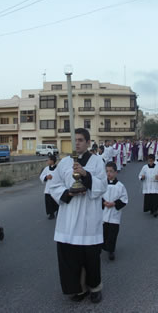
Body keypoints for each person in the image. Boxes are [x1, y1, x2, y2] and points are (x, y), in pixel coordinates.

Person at [49, 128, 107, 304]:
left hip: (89, 215)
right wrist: (68, 194)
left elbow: (102, 185)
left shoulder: (97, 162)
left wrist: (85, 174)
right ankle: (79, 288)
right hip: (69, 215)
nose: (77, 143)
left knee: (90, 257)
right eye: (75, 140)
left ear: (88, 143)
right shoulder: (64, 163)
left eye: (81, 140)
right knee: (71, 256)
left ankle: (94, 287)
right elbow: (54, 185)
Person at [101, 162, 128, 261]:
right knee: (103, 232)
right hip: (103, 213)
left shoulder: (120, 186)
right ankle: (103, 246)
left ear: (116, 172)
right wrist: (103, 202)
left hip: (114, 215)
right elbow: (98, 195)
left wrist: (114, 203)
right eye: (107, 171)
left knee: (112, 233)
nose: (109, 174)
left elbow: (124, 199)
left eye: (111, 171)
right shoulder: (102, 184)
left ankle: (111, 250)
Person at [40, 155, 59, 220]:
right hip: (48, 189)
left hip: (56, 188)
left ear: (52, 161)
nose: (47, 161)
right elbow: (42, 176)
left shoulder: (58, 168)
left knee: (56, 201)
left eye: (48, 160)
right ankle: (51, 214)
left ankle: (58, 212)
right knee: (49, 202)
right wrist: (46, 177)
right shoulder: (46, 168)